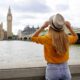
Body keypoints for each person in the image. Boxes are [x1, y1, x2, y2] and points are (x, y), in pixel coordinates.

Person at [30, 13, 78, 80]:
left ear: (50, 27)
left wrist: (43, 27)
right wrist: (69, 27)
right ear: (62, 27)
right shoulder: (66, 38)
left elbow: (33, 38)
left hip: (52, 69)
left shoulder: (47, 38)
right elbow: (75, 37)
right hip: (65, 68)